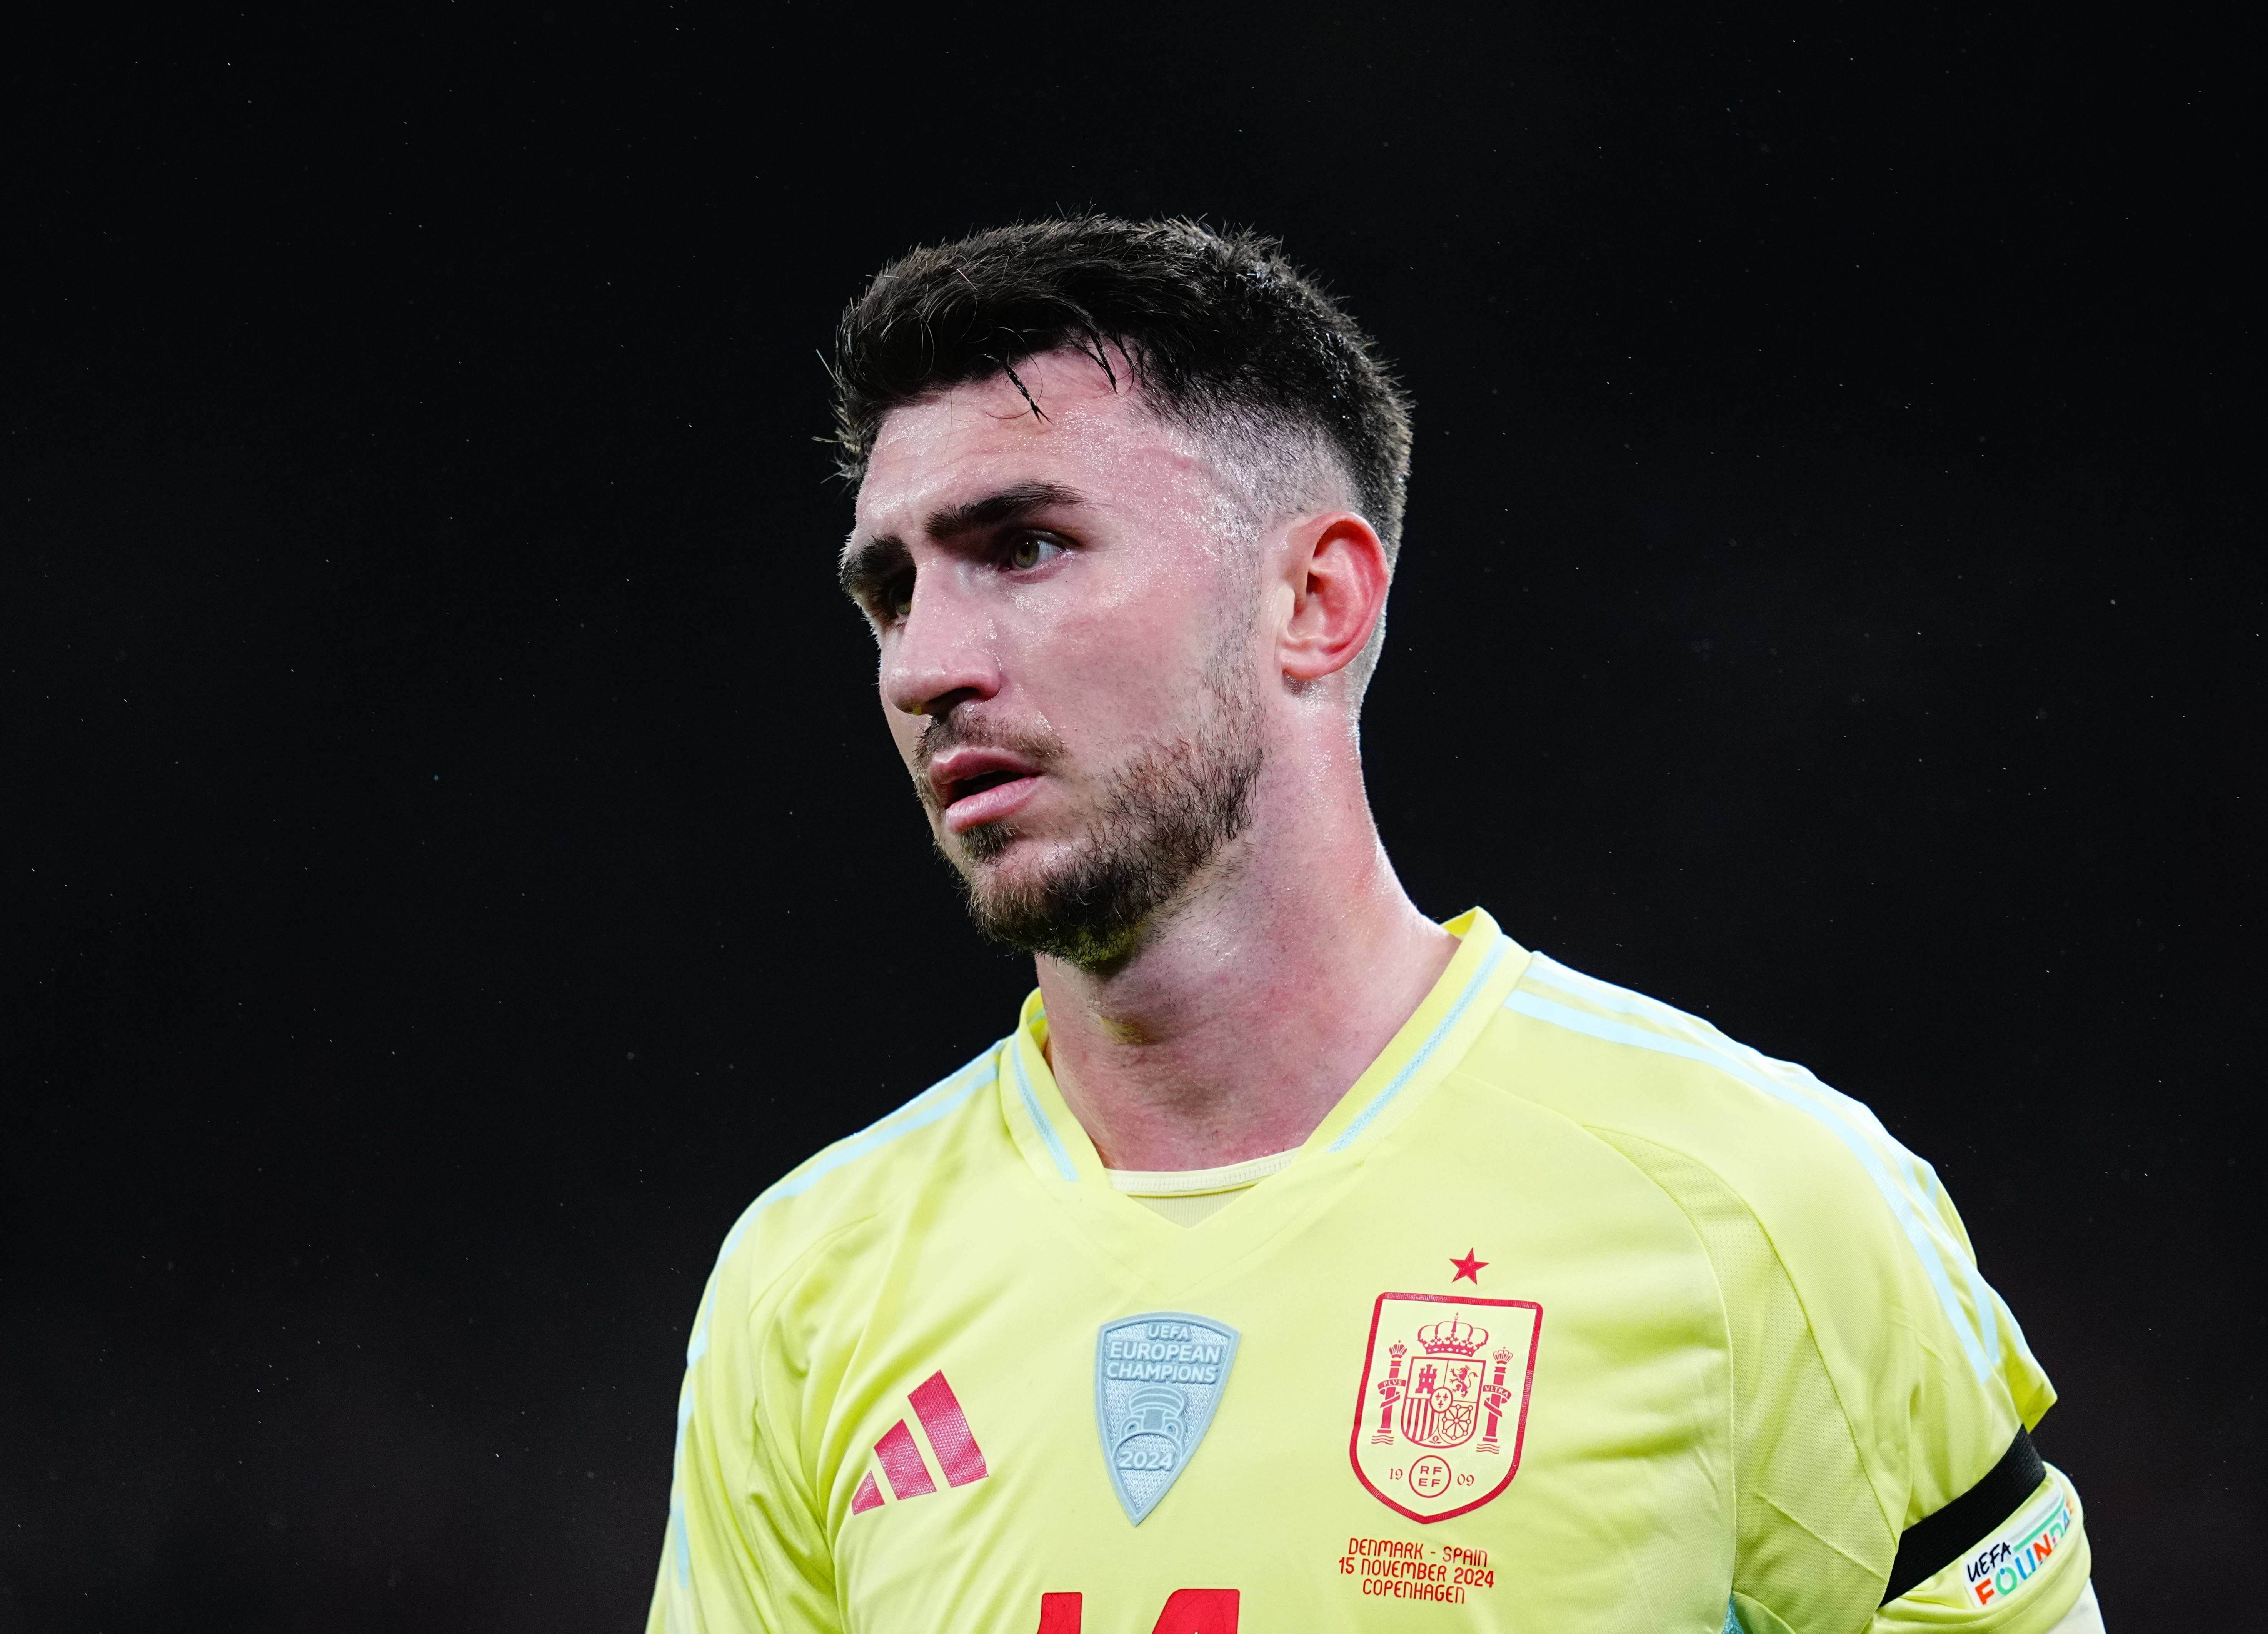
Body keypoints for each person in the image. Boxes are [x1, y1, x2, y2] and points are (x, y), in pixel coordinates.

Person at [646, 217, 2104, 1634]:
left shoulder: (1756, 1201)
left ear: (1314, 598)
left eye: (1023, 547)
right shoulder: (808, 1279)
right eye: (891, 592)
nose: (926, 667)